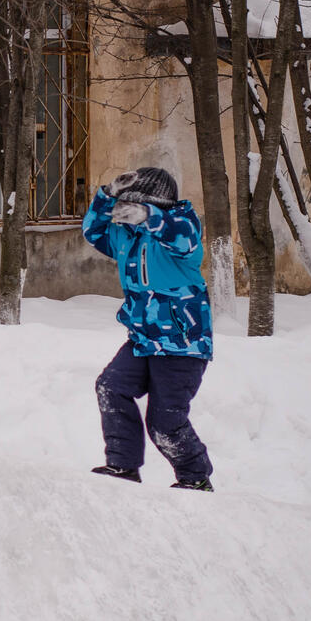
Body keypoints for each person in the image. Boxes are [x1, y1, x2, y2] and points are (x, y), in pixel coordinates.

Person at [81, 167, 215, 492]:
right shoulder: (125, 237)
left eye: (133, 206)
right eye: (125, 205)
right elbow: (93, 230)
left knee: (164, 423)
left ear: (155, 205)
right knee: (111, 387)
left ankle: (195, 478)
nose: (126, 212)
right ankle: (123, 466)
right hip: (142, 340)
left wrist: (147, 215)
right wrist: (107, 194)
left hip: (181, 345)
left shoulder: (181, 230)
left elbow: (179, 234)